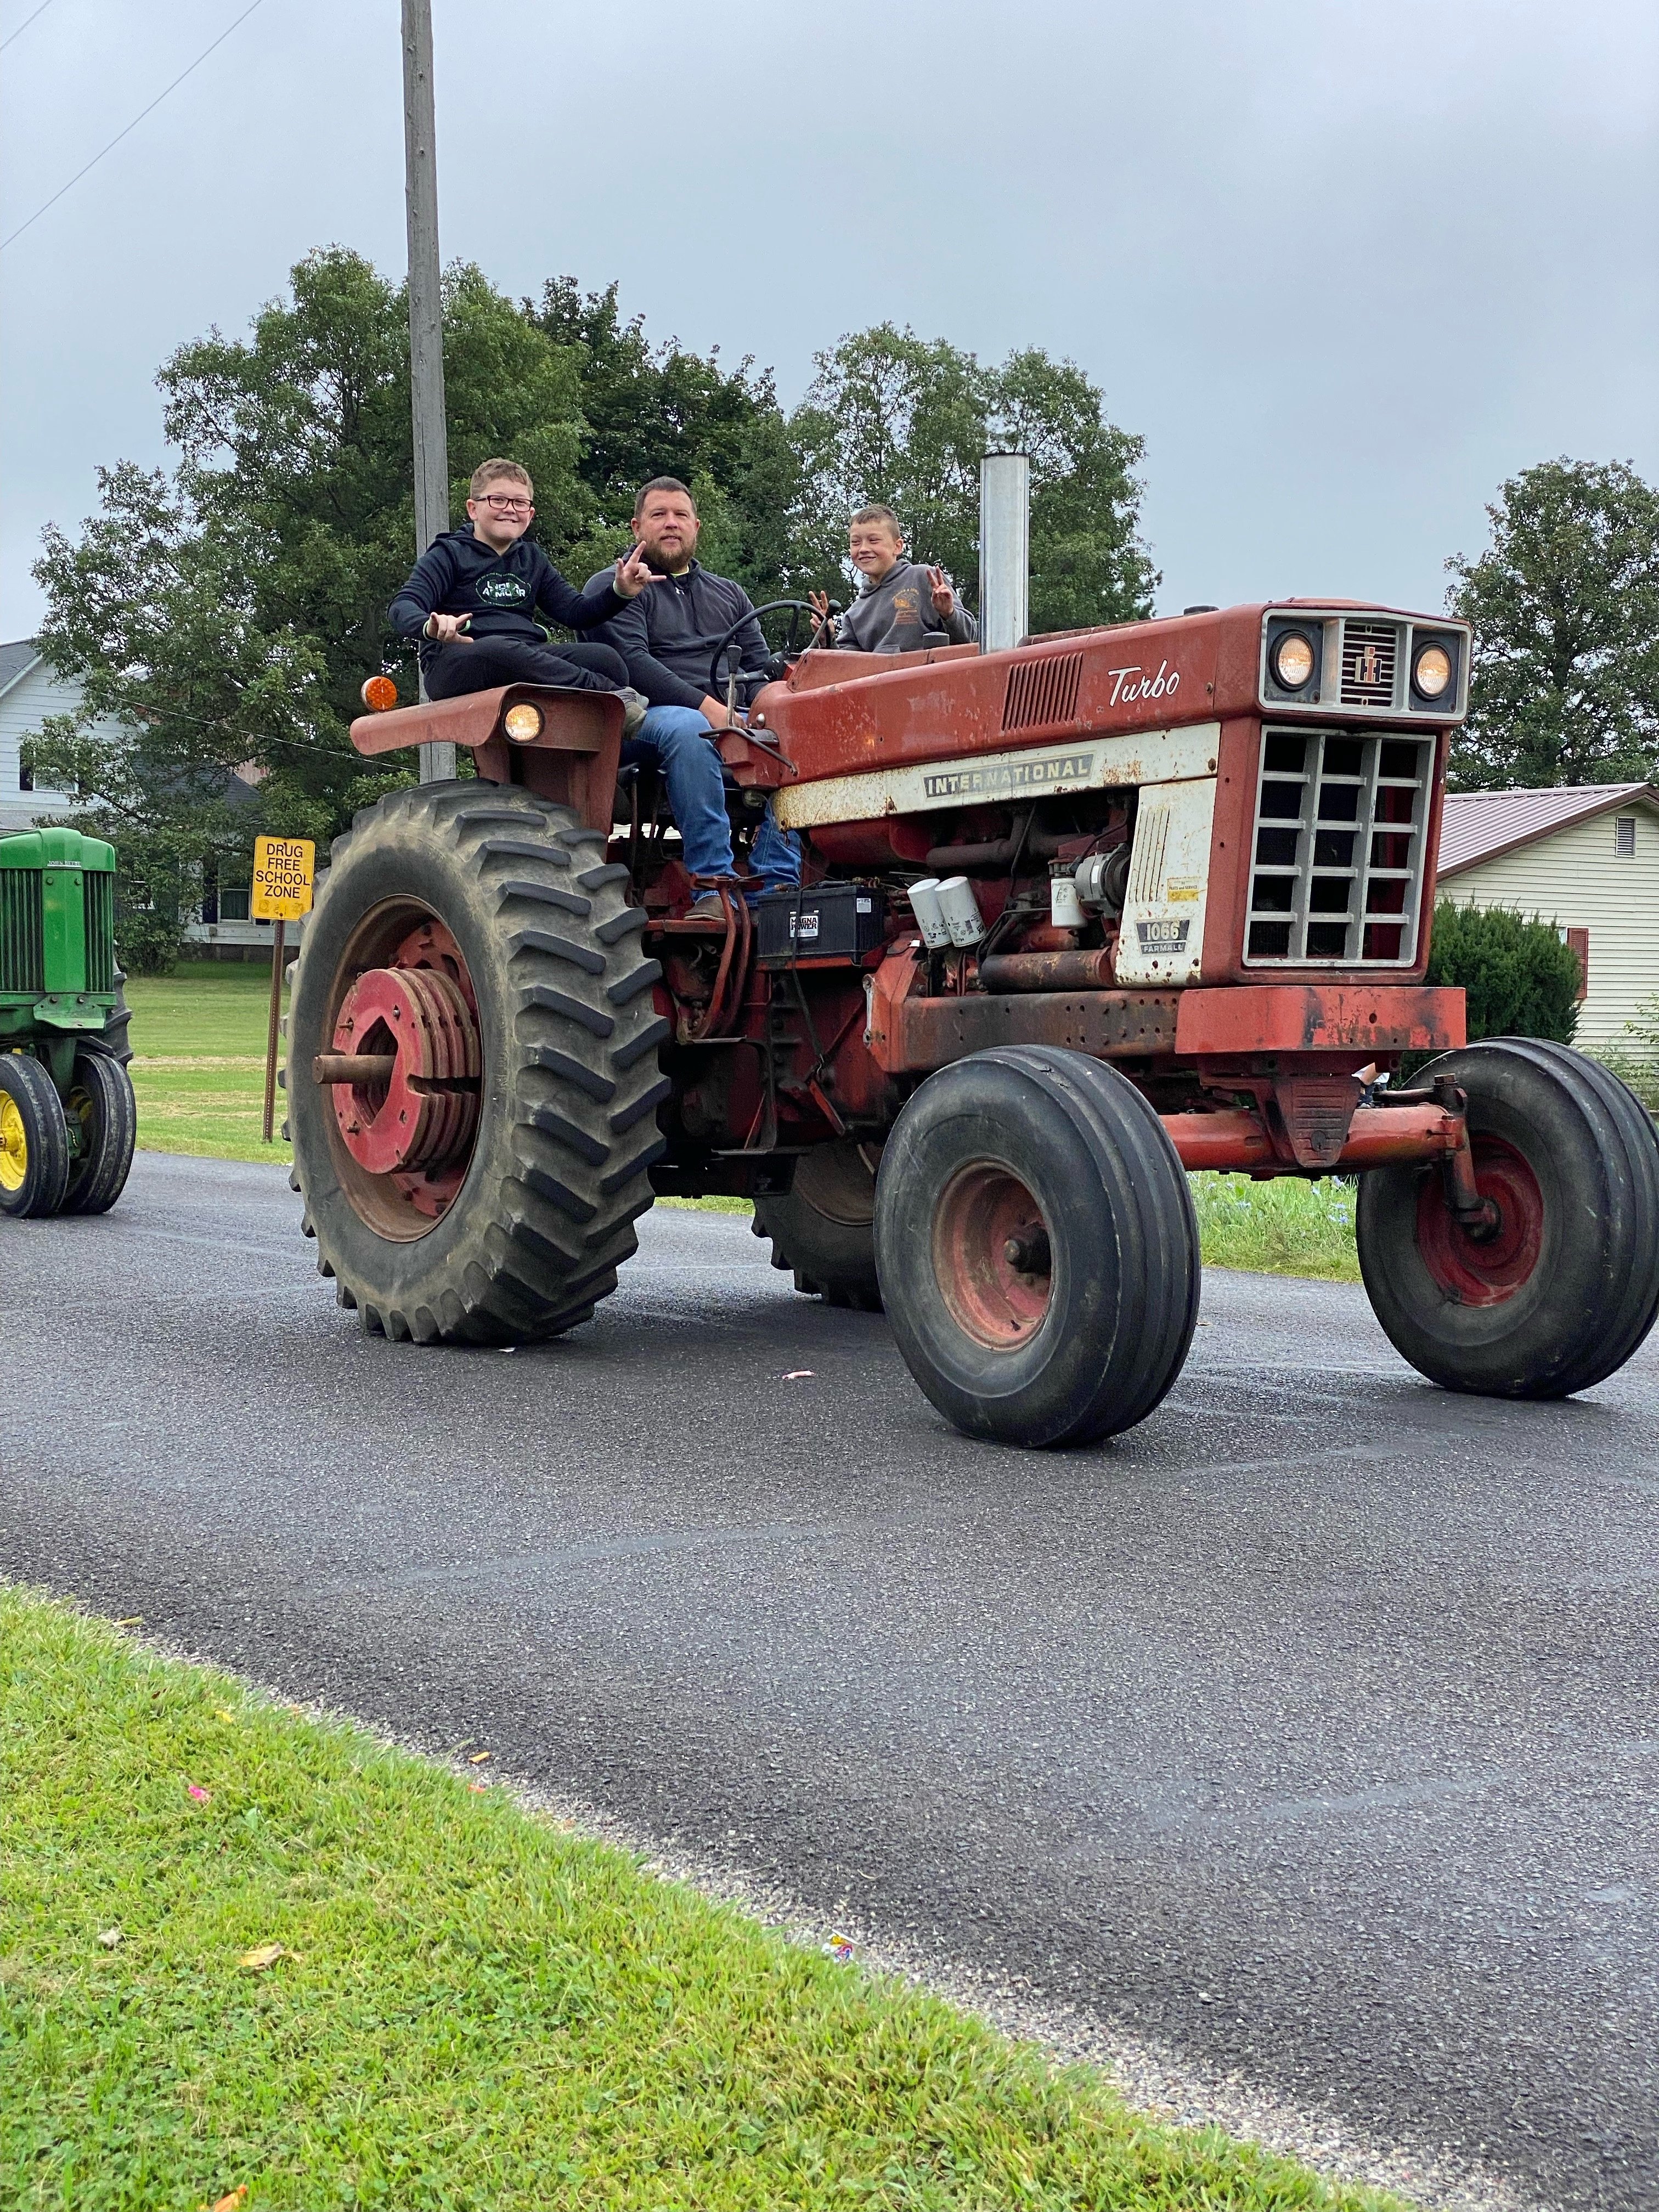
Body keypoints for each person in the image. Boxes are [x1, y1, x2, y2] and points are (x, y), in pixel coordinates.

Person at [589, 476, 800, 904]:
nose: (671, 524)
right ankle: (713, 885)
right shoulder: (613, 587)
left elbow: (760, 669)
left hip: (726, 717)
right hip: (640, 719)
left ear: (696, 526)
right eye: (659, 515)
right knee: (688, 727)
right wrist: (709, 708)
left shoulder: (729, 594)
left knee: (806, 724)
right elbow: (631, 664)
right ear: (636, 527)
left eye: (680, 515)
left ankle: (777, 882)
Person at [388, 457, 654, 726]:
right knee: (498, 648)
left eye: (520, 503)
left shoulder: (532, 558)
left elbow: (576, 613)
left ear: (530, 514)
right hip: (460, 661)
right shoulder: (449, 554)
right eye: (498, 500)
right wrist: (430, 627)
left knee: (605, 658)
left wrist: (620, 591)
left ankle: (579, 750)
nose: (510, 510)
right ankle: (607, 694)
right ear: (473, 509)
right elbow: (403, 605)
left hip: (524, 656)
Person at [809, 504, 977, 654]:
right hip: (881, 687)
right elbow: (845, 670)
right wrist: (827, 639)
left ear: (898, 546)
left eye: (874, 540)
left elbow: (970, 638)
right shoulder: (855, 614)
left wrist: (949, 613)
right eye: (855, 542)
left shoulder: (924, 578)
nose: (864, 549)